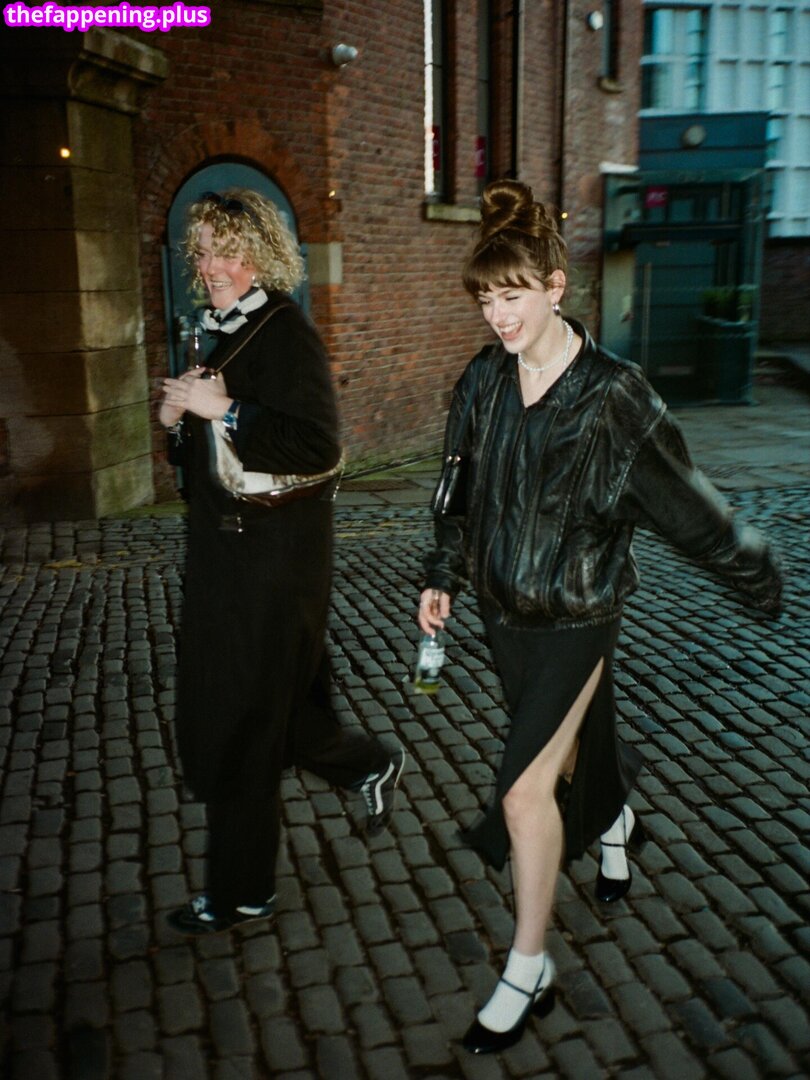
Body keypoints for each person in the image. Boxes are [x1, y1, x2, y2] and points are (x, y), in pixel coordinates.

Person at [418, 179, 782, 1054]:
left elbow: (685, 501)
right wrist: (442, 573)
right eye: (485, 300)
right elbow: (457, 488)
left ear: (555, 287)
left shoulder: (615, 395)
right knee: (573, 746)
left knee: (524, 790)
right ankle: (614, 818)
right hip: (504, 613)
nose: (498, 318)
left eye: (513, 297)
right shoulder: (482, 379)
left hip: (578, 612)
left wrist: (752, 568)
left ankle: (528, 967)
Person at [159, 189, 404, 934]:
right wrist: (175, 424)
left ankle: (243, 890)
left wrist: (225, 410)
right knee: (273, 705)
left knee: (241, 718)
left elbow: (316, 445)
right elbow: (202, 462)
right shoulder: (213, 331)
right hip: (225, 556)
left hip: (273, 563)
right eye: (204, 251)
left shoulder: (284, 332)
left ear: (261, 257)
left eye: (229, 252)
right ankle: (364, 762)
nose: (213, 267)